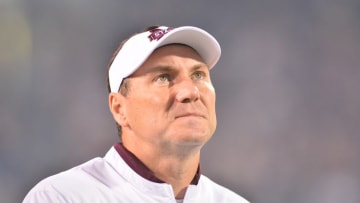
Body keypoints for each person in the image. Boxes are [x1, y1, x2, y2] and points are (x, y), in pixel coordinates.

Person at [23, 25, 249, 203]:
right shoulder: (62, 197)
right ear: (119, 108)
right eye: (164, 77)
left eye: (199, 75)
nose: (190, 91)